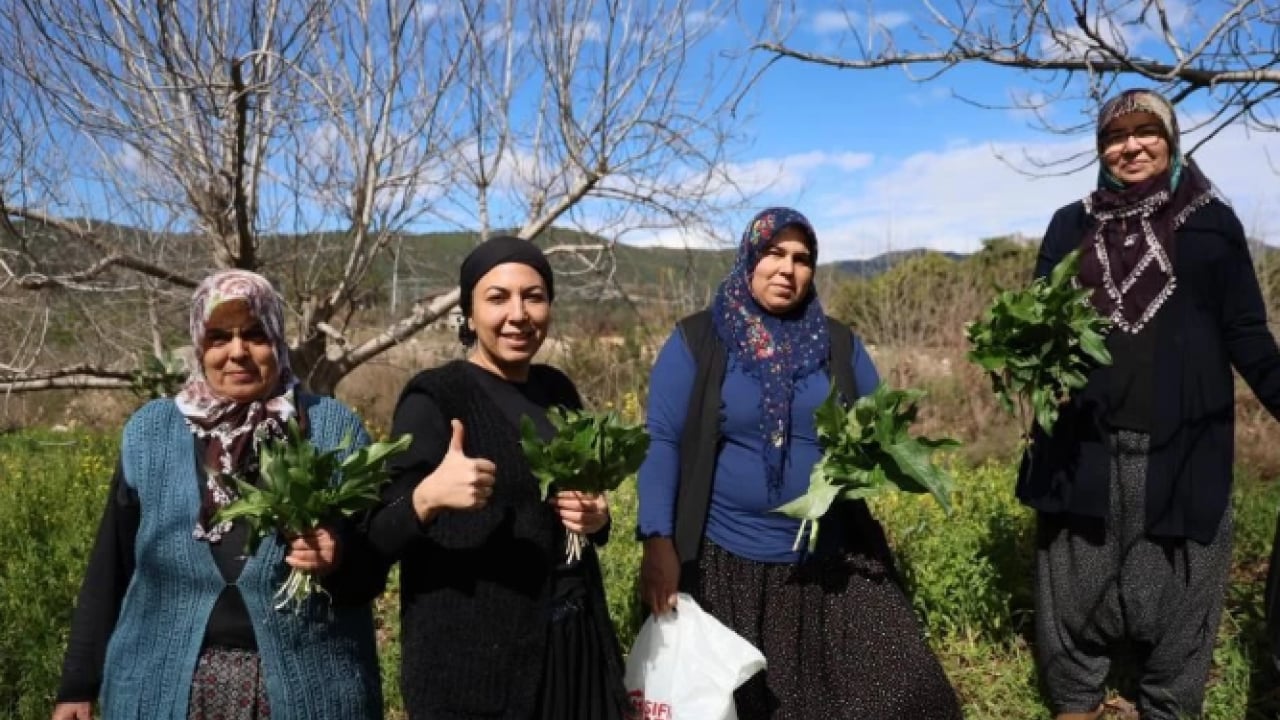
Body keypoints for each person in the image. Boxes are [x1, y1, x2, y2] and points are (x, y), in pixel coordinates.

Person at [636, 207, 962, 719]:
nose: (787, 268)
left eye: (802, 258)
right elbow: (663, 441)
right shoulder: (698, 340)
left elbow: (877, 430)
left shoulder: (835, 343)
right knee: (748, 705)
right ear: (749, 257)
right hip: (729, 564)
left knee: (910, 692)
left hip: (830, 559)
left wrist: (887, 440)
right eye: (774, 253)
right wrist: (658, 542)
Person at [1019, 88, 1280, 720]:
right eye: (1115, 135)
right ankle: (1076, 703)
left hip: (1183, 443)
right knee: (1073, 590)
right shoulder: (1071, 224)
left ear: (1171, 138)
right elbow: (1035, 324)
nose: (1131, 145)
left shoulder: (1211, 222)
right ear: (1100, 148)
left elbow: (1246, 331)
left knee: (1183, 590)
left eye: (1146, 131)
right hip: (1083, 445)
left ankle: (1166, 706)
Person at [52, 270, 384, 720]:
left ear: (278, 340)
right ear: (198, 345)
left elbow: (374, 560)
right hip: (161, 687)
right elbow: (111, 565)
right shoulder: (152, 433)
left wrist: (339, 553)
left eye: (255, 334)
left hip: (306, 690)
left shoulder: (331, 429)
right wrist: (77, 685)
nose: (237, 352)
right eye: (218, 338)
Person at [366, 235, 629, 720]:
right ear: (468, 314)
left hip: (574, 645)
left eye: (534, 296)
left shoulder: (558, 390)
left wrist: (597, 517)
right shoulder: (436, 399)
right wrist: (427, 498)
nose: (519, 313)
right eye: (497, 297)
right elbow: (377, 532)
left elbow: (584, 497)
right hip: (478, 670)